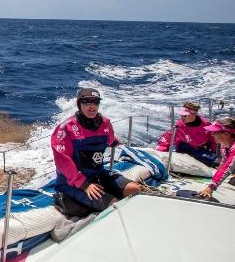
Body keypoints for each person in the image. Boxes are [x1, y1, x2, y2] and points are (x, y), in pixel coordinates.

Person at [51, 88, 142, 216]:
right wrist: (83, 185)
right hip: (73, 182)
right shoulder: (66, 128)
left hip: (99, 174)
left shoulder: (105, 123)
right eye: (87, 102)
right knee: (113, 203)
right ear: (79, 104)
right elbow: (62, 160)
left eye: (95, 102)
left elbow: (110, 140)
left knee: (135, 189)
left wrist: (117, 143)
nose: (91, 106)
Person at [156, 102, 217, 166]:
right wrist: (160, 153)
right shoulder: (179, 126)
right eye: (181, 115)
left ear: (194, 114)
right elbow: (166, 139)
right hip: (185, 151)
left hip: (201, 150)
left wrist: (213, 150)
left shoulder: (206, 124)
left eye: (185, 115)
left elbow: (213, 139)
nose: (182, 117)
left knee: (212, 160)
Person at [198, 117, 235, 198]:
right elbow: (223, 165)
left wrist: (210, 188)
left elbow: (227, 167)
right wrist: (215, 179)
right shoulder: (224, 146)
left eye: (215, 132)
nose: (212, 135)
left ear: (226, 134)